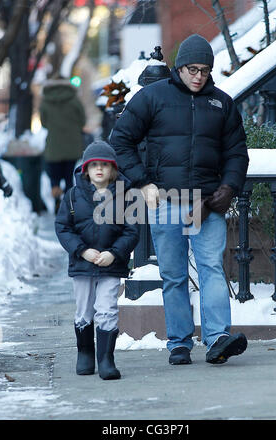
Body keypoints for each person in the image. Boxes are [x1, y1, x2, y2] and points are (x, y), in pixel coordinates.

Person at [110, 34, 249, 365]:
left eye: (204, 70)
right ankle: (179, 343)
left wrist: (228, 188)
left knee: (212, 267)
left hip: (206, 203)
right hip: (167, 201)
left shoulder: (222, 103)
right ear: (179, 67)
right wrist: (142, 183)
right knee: (173, 274)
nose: (198, 76)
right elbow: (120, 140)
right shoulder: (152, 97)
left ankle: (217, 339)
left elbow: (236, 153)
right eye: (191, 69)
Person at [55, 141, 139, 380]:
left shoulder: (125, 196)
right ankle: (85, 353)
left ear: (112, 169)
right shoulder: (72, 196)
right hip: (82, 264)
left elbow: (132, 231)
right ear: (86, 169)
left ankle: (106, 359)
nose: (99, 169)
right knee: (83, 309)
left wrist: (114, 253)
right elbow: (63, 227)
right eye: (94, 166)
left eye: (104, 165)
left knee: (107, 308)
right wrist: (81, 250)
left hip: (111, 264)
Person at [40, 76, 86, 213]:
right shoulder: (74, 100)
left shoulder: (45, 102)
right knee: (68, 177)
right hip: (72, 144)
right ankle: (69, 205)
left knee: (54, 176)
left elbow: (43, 123)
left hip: (54, 146)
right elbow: (82, 121)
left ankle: (56, 201)